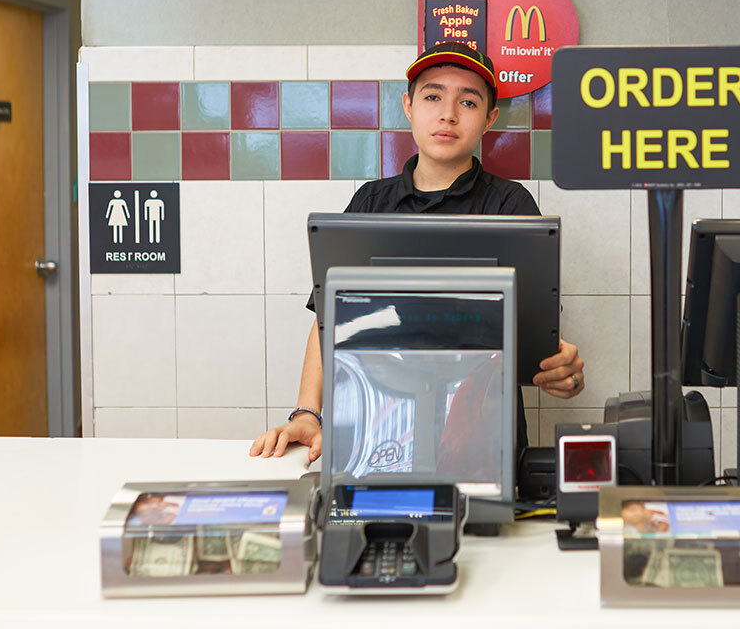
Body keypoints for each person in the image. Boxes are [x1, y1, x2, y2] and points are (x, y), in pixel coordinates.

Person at [250, 42, 585, 463]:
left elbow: (536, 329)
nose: (448, 114)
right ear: (408, 106)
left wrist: (564, 373)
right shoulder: (371, 203)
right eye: (432, 97)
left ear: (490, 118)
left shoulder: (510, 205)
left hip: (483, 434)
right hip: (381, 425)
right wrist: (307, 413)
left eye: (468, 101)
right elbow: (329, 318)